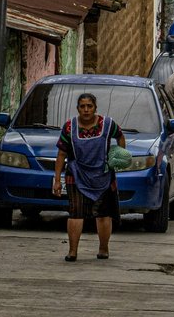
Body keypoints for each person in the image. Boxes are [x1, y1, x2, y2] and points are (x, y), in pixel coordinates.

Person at [54, 93, 126, 261]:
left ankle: (103, 248)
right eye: (82, 106)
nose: (86, 110)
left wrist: (119, 156)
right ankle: (72, 252)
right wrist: (57, 180)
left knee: (103, 214)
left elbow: (120, 137)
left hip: (103, 175)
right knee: (75, 213)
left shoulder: (107, 125)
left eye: (89, 106)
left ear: (95, 108)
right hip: (76, 175)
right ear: (77, 108)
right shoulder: (69, 127)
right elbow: (61, 154)